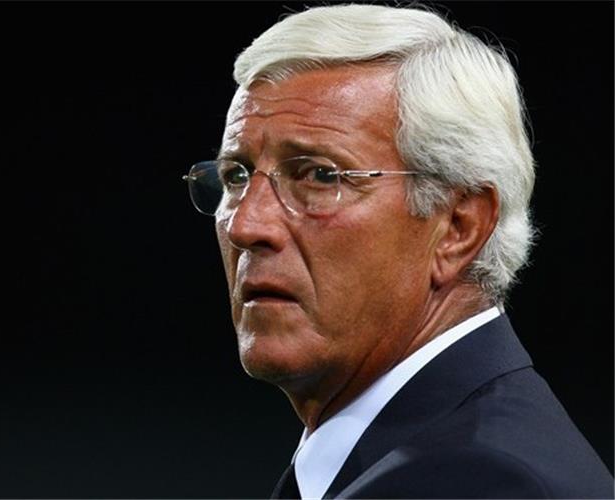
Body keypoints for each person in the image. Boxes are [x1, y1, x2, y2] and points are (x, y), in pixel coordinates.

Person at [182, 4, 613, 499]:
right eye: (236, 175)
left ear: (458, 227)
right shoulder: (435, 458)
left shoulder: (479, 482)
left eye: (319, 175)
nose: (245, 225)